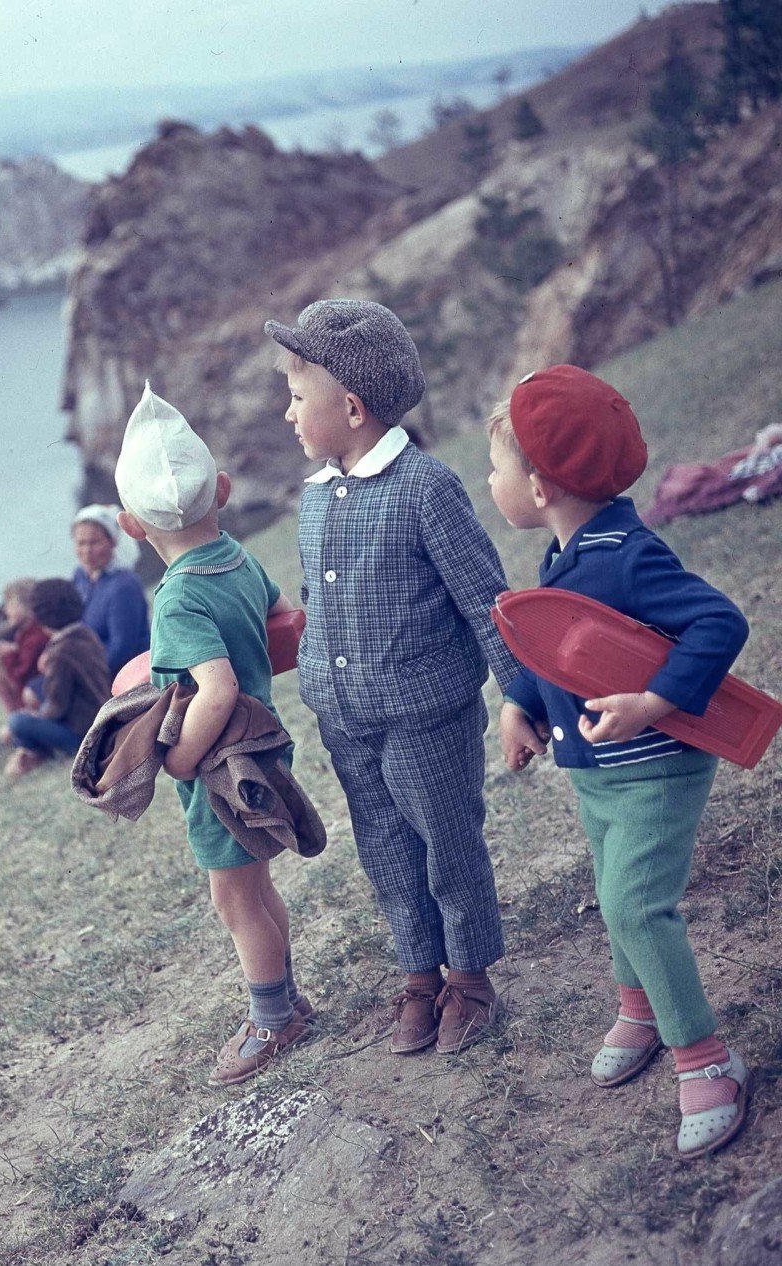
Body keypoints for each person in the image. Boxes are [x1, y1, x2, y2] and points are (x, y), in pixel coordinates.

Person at [488, 364, 752, 1160]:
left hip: (656, 765)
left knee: (636, 903)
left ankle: (707, 1061)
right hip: (600, 774)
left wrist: (656, 701)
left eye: (496, 469)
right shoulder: (567, 555)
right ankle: (640, 1005)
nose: (490, 481)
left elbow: (719, 623)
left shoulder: (628, 556)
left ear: (538, 488)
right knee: (612, 895)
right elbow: (561, 651)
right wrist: (522, 706)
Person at [264, 300, 522, 1056]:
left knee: (447, 841)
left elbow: (485, 600)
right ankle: (420, 971)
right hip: (346, 718)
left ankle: (469, 975)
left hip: (425, 713)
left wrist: (522, 699)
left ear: (350, 406)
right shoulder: (315, 497)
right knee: (383, 845)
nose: (287, 413)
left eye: (295, 395)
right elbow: (318, 603)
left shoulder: (425, 488)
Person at [114, 383, 310, 1087]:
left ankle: (273, 1019)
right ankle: (286, 998)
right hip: (265, 749)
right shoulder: (240, 559)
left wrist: (181, 756)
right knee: (253, 888)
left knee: (232, 899)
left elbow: (217, 688)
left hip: (222, 765)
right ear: (222, 489)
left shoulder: (177, 598)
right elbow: (286, 625)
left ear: (130, 526)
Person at [4, 579, 111, 780]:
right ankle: (31, 752)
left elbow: (57, 706)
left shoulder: (59, 653)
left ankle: (34, 752)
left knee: (17, 722)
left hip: (83, 733)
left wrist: (36, 715)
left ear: (40, 616)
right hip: (103, 719)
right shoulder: (86, 634)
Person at [70, 504, 151, 676]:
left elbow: (121, 649)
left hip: (124, 674)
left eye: (94, 542)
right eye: (81, 543)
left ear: (112, 541)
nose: (87, 551)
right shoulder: (81, 576)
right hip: (91, 664)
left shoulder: (124, 586)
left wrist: (84, 678)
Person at [0, 578, 49, 739]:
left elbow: (22, 673)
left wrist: (9, 654)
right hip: (28, 692)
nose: (6, 611)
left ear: (27, 608)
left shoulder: (36, 635)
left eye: (11, 605)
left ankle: (19, 721)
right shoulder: (23, 632)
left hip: (38, 695)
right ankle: (13, 717)